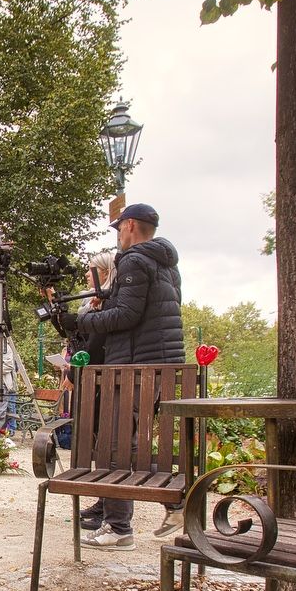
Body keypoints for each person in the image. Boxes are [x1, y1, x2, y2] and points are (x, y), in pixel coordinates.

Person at [76, 202, 185, 548]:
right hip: (159, 364)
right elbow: (151, 311)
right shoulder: (166, 264)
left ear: (131, 226)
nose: (118, 235)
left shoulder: (134, 260)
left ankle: (124, 526)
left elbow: (126, 316)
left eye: (119, 227)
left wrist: (81, 320)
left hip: (136, 364)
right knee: (130, 442)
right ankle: (158, 505)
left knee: (117, 443)